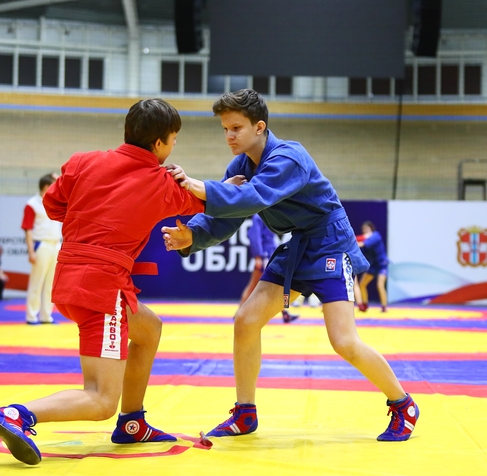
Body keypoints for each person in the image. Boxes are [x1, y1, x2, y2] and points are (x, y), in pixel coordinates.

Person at [163, 89, 418, 442]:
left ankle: (404, 405)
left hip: (329, 243)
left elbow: (252, 196)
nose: (229, 136)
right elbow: (228, 214)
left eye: (236, 128)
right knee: (246, 321)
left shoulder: (289, 157)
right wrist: (192, 235)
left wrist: (196, 185)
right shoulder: (240, 167)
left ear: (260, 127)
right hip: (298, 244)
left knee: (344, 341)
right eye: (225, 129)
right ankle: (245, 413)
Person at [0, 98, 205, 466]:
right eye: (174, 139)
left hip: (70, 278)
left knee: (149, 329)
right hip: (103, 289)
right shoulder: (161, 182)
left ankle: (133, 423)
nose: (175, 145)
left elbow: (53, 205)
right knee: (101, 399)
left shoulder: (83, 161)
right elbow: (210, 204)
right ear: (160, 143)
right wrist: (207, 183)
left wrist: (93, 213)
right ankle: (16, 415)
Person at [22, 174, 62, 324]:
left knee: (51, 284)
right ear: (46, 187)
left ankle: (46, 316)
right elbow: (28, 229)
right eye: (54, 184)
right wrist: (31, 251)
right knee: (37, 282)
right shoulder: (32, 204)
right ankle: (31, 316)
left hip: (56, 244)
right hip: (41, 245)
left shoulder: (56, 202)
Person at [243, 214, 298, 323]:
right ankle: (240, 312)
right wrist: (258, 256)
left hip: (269, 254)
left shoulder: (268, 214)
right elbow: (254, 237)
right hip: (264, 255)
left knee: (268, 285)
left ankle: (285, 313)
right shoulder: (258, 216)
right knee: (257, 285)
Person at [357, 221, 389, 313]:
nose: (365, 230)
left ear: (371, 229)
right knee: (362, 284)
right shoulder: (365, 239)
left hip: (382, 264)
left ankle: (384, 307)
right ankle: (365, 305)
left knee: (380, 285)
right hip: (373, 265)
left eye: (367, 228)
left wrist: (352, 242)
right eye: (364, 229)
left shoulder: (376, 235)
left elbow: (363, 243)